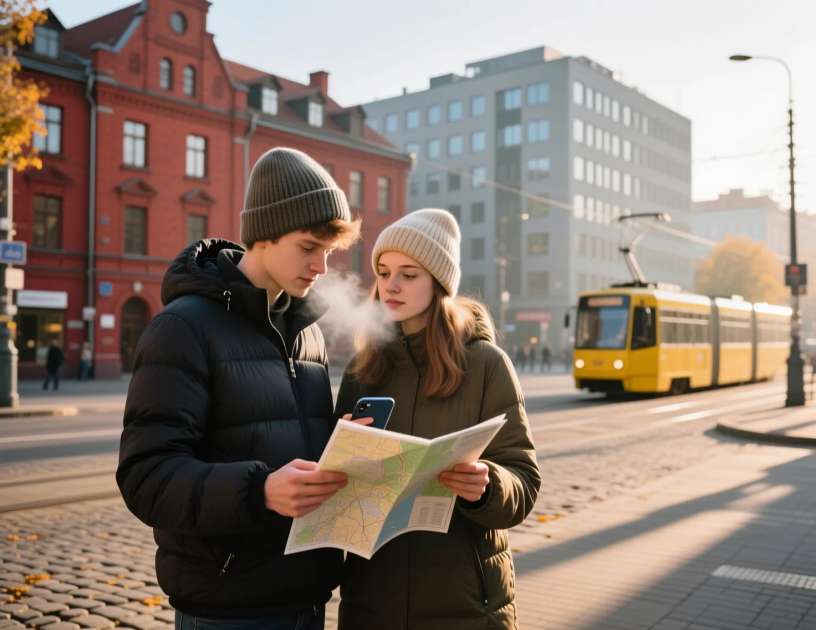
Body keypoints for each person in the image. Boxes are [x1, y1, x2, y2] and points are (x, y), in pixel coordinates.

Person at [116, 148, 362, 630]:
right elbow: (146, 477)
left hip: (305, 597)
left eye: (329, 253)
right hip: (226, 608)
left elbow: (282, 434)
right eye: (309, 247)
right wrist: (259, 491)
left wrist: (343, 446)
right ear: (264, 235)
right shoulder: (182, 328)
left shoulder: (305, 330)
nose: (321, 268)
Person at [335, 208, 541, 629]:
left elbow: (524, 481)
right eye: (384, 271)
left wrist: (487, 485)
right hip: (374, 602)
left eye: (409, 274)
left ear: (439, 283)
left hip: (464, 607)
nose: (391, 285)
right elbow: (335, 492)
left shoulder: (486, 365)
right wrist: (341, 459)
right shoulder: (363, 368)